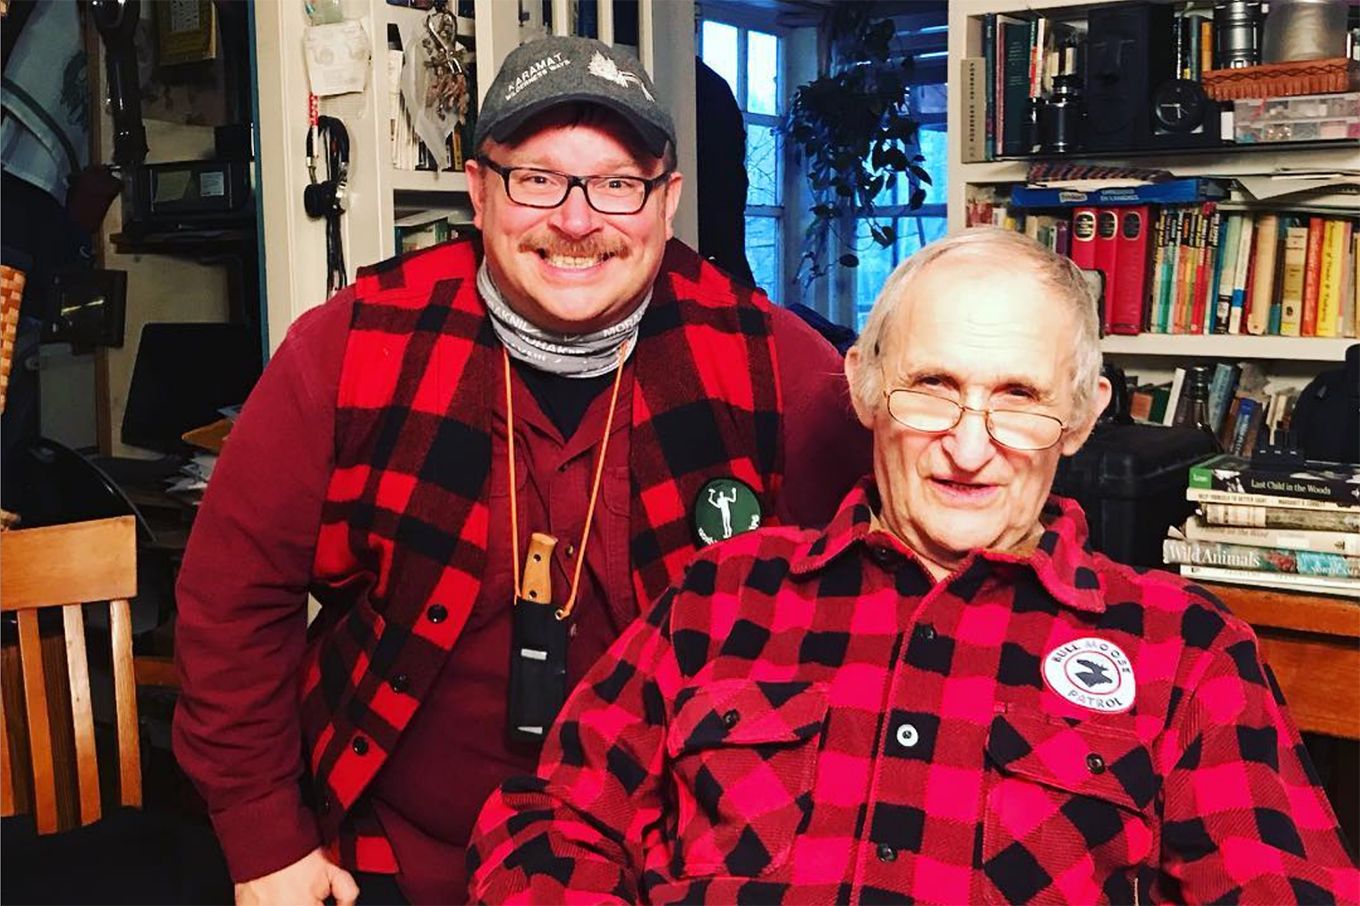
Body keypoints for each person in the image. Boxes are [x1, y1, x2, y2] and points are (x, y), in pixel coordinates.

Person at [171, 35, 869, 906]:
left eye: (617, 183)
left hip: (674, 857)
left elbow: (885, 594)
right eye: (536, 178)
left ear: (668, 200)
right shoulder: (349, 347)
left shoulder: (776, 367)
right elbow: (231, 600)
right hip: (388, 856)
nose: (576, 221)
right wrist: (265, 841)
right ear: (477, 190)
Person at [467, 228, 1360, 905]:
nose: (969, 449)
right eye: (932, 387)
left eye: (1018, 398)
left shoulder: (1189, 655)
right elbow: (548, 823)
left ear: (1082, 417)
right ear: (863, 385)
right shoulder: (718, 600)